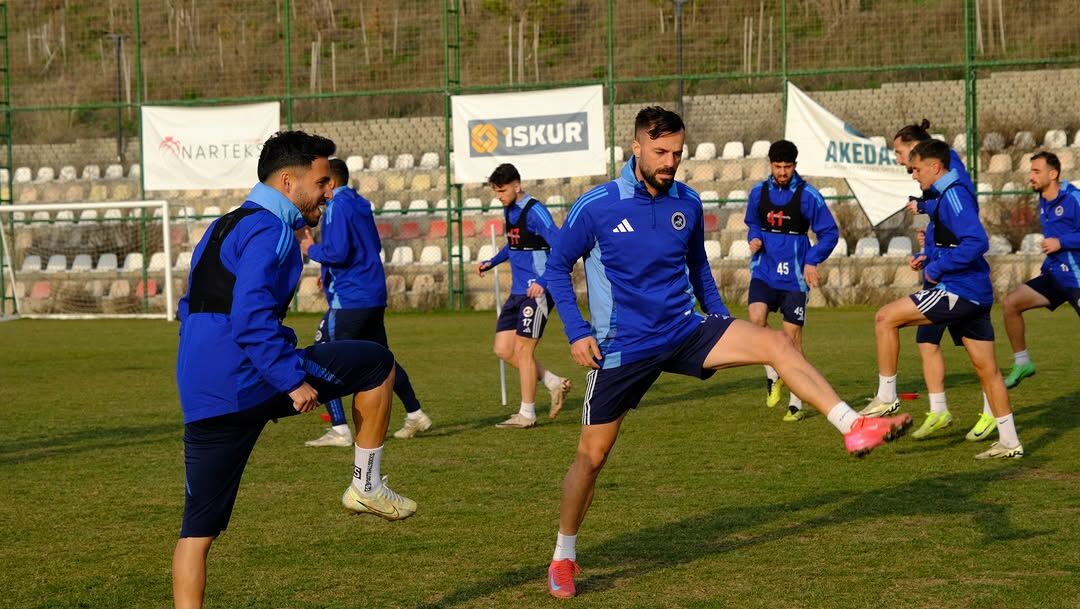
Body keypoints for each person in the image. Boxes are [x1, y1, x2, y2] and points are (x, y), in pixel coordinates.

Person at [531, 106, 912, 599]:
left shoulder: (686, 203)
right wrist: (578, 331)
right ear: (636, 147)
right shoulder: (597, 205)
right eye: (661, 152)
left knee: (776, 342)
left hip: (685, 328)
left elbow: (697, 268)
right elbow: (558, 268)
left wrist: (716, 316)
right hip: (623, 347)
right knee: (592, 457)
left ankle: (852, 425)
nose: (671, 162)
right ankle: (564, 555)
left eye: (678, 153)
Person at [172, 132, 416, 609]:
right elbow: (250, 314)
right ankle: (366, 485)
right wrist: (290, 379)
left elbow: (189, 308)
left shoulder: (221, 226)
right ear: (289, 181)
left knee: (196, 533)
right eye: (322, 181)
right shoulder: (272, 230)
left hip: (203, 390)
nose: (329, 191)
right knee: (377, 363)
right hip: (252, 377)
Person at [868, 138, 1023, 461]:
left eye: (918, 168)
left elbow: (976, 241)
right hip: (975, 292)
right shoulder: (947, 194)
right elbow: (954, 242)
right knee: (987, 370)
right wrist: (928, 257)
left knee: (885, 318)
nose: (914, 175)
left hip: (958, 291)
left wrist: (937, 267)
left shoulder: (953, 195)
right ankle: (1009, 441)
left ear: (936, 167)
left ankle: (886, 397)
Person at [299, 158, 433, 444]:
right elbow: (362, 247)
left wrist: (312, 249)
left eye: (321, 183)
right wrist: (327, 271)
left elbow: (338, 251)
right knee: (382, 359)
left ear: (330, 182)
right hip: (372, 293)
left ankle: (340, 429)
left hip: (351, 298)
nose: (321, 191)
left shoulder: (337, 205)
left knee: (324, 353)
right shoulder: (360, 203)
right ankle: (415, 413)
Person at [744, 139, 839, 421]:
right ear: (771, 165)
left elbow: (830, 233)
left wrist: (812, 260)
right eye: (778, 166)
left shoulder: (809, 195)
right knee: (756, 319)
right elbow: (752, 223)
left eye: (787, 167)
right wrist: (755, 238)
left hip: (795, 276)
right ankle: (774, 375)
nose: (782, 172)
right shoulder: (758, 193)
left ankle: (797, 400)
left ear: (794, 166)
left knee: (791, 338)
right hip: (765, 269)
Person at [477, 163, 572, 428]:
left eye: (502, 190)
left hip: (538, 291)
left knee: (523, 350)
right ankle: (554, 383)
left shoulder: (535, 211)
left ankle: (527, 414)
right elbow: (514, 243)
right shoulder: (509, 209)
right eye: (496, 191)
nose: (499, 196)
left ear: (517, 186)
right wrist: (492, 261)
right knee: (503, 349)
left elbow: (560, 246)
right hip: (518, 292)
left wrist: (543, 281)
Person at [1001, 151, 1080, 388]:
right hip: (1056, 276)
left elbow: (1062, 240)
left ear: (1053, 174)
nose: (1031, 176)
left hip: (1076, 279)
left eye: (1036, 171)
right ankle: (1022, 362)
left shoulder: (1073, 198)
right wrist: (1049, 263)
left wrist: (1061, 243)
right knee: (1010, 304)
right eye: (1031, 171)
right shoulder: (1044, 200)